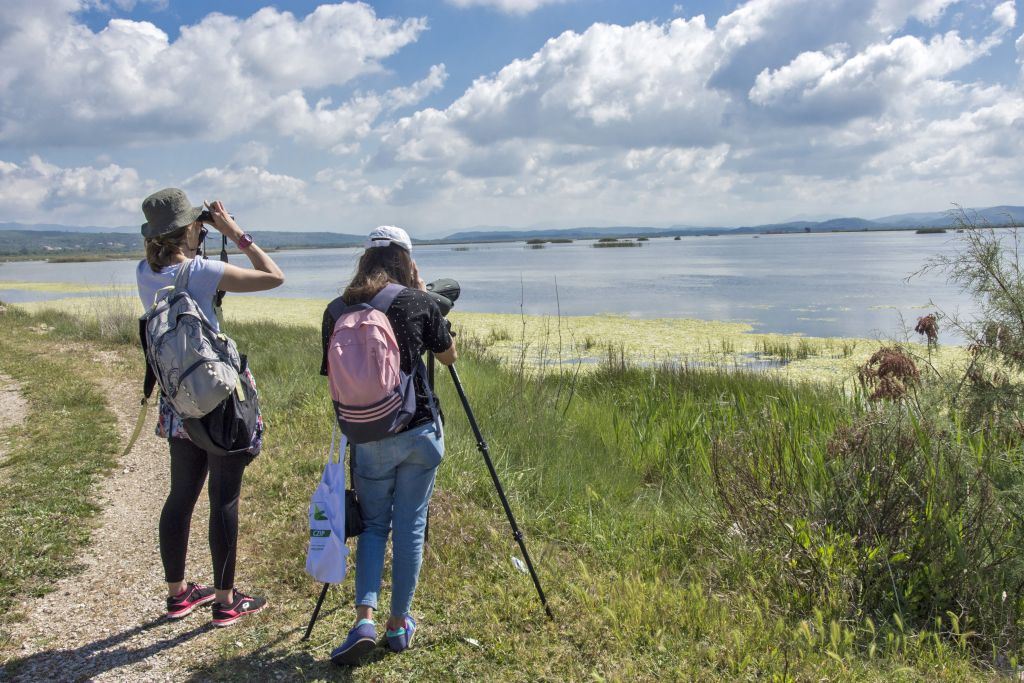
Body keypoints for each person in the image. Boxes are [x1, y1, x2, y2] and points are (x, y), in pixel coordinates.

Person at [135, 187, 285, 627]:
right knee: (224, 498)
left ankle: (178, 594)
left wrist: (197, 234)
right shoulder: (201, 271)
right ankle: (225, 601)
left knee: (181, 495)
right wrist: (234, 231)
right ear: (188, 230)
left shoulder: (144, 271)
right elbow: (273, 276)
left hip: (178, 402)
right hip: (219, 400)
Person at [320, 225, 457, 664]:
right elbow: (448, 356)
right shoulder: (418, 301)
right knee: (410, 526)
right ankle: (398, 625)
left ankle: (364, 620)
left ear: (365, 260)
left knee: (374, 526)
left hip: (368, 436)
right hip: (418, 432)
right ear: (407, 260)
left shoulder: (336, 310)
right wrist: (425, 296)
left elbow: (334, 377)